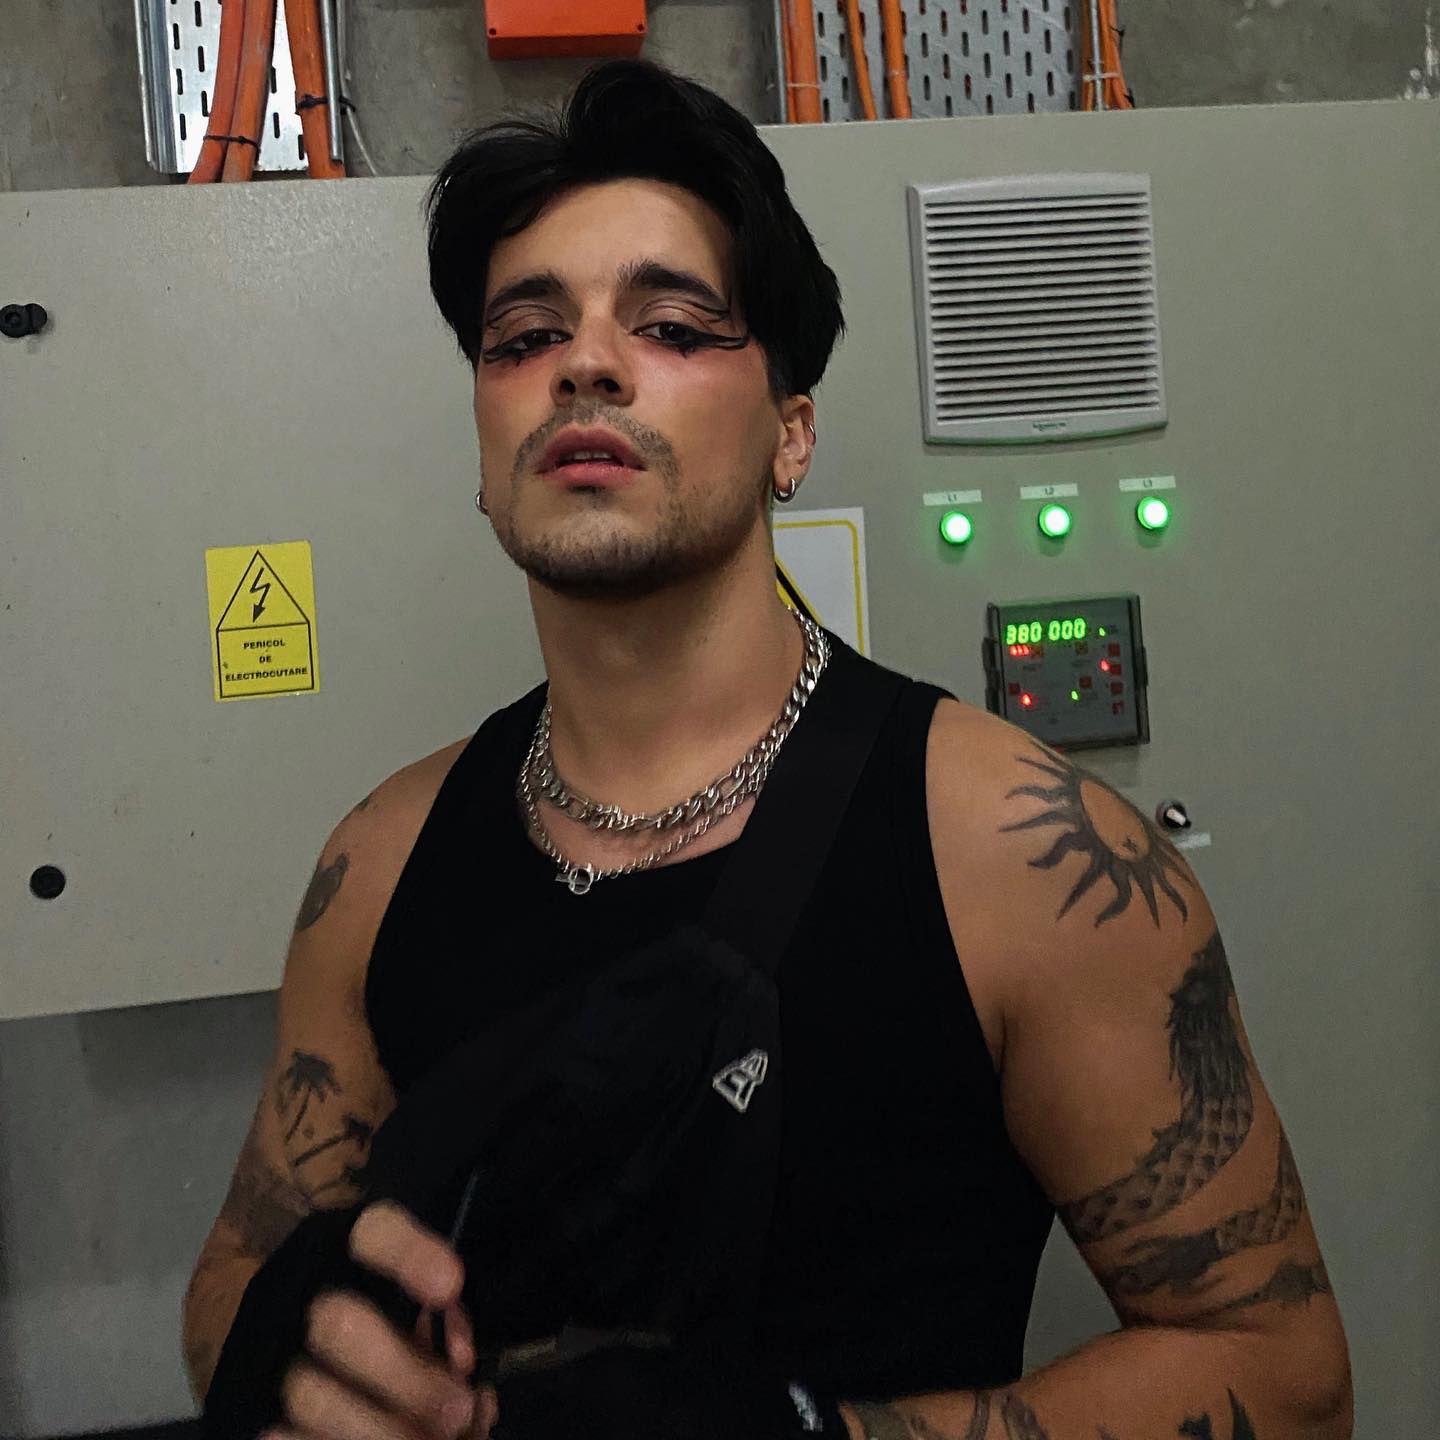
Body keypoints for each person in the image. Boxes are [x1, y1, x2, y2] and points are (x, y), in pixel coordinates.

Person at [183, 58, 1352, 1440]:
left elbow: (1285, 1374)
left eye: (674, 324)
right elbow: (233, 1285)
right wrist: (299, 1334)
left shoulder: (1023, 858)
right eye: (523, 337)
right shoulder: (379, 864)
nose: (584, 364)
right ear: (486, 445)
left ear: (792, 436)